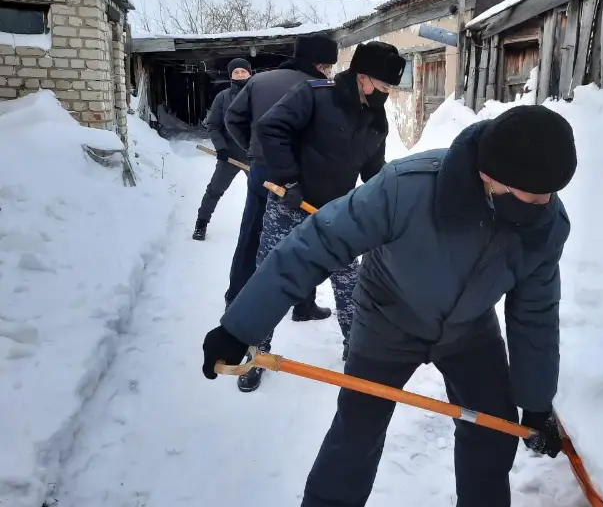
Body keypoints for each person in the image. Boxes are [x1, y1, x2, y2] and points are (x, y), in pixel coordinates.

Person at [201, 104, 578, 506]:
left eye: (550, 194)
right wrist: (238, 328)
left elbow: (535, 312)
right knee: (358, 429)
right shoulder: (408, 187)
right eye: (533, 196)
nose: (545, 204)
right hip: (387, 318)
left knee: (495, 427)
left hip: (469, 329)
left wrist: (536, 402)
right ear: (490, 176)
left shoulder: (546, 225)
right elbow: (315, 245)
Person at [233, 40, 406, 392]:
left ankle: (356, 349)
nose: (387, 93)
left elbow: (374, 169)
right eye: (383, 85)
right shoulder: (314, 95)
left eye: (391, 88)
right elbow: (270, 128)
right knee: (270, 279)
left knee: (349, 283)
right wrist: (288, 177)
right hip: (289, 206)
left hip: (336, 213)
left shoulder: (376, 116)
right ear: (361, 76)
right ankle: (256, 353)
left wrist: (389, 203)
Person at [222, 33, 338, 316]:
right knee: (304, 236)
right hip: (304, 173)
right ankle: (303, 305)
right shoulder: (322, 87)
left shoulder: (258, 81)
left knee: (252, 232)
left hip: (262, 169)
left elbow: (233, 119)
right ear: (321, 65)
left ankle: (236, 299)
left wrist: (255, 150)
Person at [192, 58, 252, 241]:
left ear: (250, 73)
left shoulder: (259, 94)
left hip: (255, 156)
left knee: (264, 194)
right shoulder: (223, 97)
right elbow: (213, 125)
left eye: (243, 71)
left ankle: (262, 228)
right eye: (236, 72)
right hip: (230, 154)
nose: (240, 75)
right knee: (214, 190)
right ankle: (201, 224)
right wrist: (221, 148)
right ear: (231, 75)